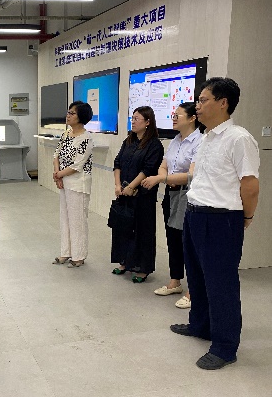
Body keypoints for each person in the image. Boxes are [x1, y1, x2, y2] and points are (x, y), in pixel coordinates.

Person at [170, 77, 259, 370]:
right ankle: (201, 325)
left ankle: (224, 347)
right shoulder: (206, 137)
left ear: (223, 103)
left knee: (221, 284)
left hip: (222, 219)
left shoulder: (239, 138)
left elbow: (250, 186)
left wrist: (246, 217)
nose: (197, 105)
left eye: (203, 100)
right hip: (195, 214)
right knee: (196, 276)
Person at [141, 102, 202, 308]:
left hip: (188, 195)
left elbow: (191, 175)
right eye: (173, 115)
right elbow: (163, 166)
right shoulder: (175, 140)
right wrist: (165, 178)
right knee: (173, 238)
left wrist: (163, 179)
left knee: (189, 243)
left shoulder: (199, 141)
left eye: (178, 115)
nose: (173, 118)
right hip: (171, 193)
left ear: (192, 118)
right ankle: (175, 281)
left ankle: (193, 290)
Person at [111, 106, 164, 282]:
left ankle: (142, 268)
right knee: (123, 228)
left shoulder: (154, 145)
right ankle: (124, 262)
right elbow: (117, 163)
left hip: (142, 196)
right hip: (124, 193)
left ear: (148, 122)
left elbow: (148, 169)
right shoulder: (129, 140)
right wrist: (118, 185)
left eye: (136, 119)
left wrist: (132, 186)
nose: (132, 122)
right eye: (132, 118)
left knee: (142, 231)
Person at [52, 101, 94, 268]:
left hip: (78, 184)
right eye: (68, 112)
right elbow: (56, 155)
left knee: (78, 221)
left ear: (81, 117)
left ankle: (79, 256)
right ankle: (66, 252)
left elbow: (78, 164)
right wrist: (58, 175)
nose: (68, 115)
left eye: (72, 113)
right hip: (64, 182)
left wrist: (59, 175)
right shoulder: (66, 134)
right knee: (65, 218)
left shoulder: (86, 138)